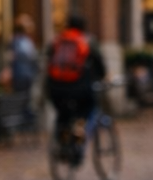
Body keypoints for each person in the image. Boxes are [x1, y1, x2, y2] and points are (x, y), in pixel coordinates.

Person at [45, 14, 107, 160]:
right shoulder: (87, 40)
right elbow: (99, 65)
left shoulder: (57, 40)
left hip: (56, 88)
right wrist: (102, 77)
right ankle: (78, 143)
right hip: (79, 88)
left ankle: (62, 142)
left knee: (63, 114)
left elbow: (48, 61)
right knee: (87, 110)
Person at [9, 14, 40, 129]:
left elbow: (11, 58)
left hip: (20, 76)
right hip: (26, 76)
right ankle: (25, 124)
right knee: (24, 101)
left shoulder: (16, 41)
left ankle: (24, 124)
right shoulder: (26, 41)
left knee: (21, 102)